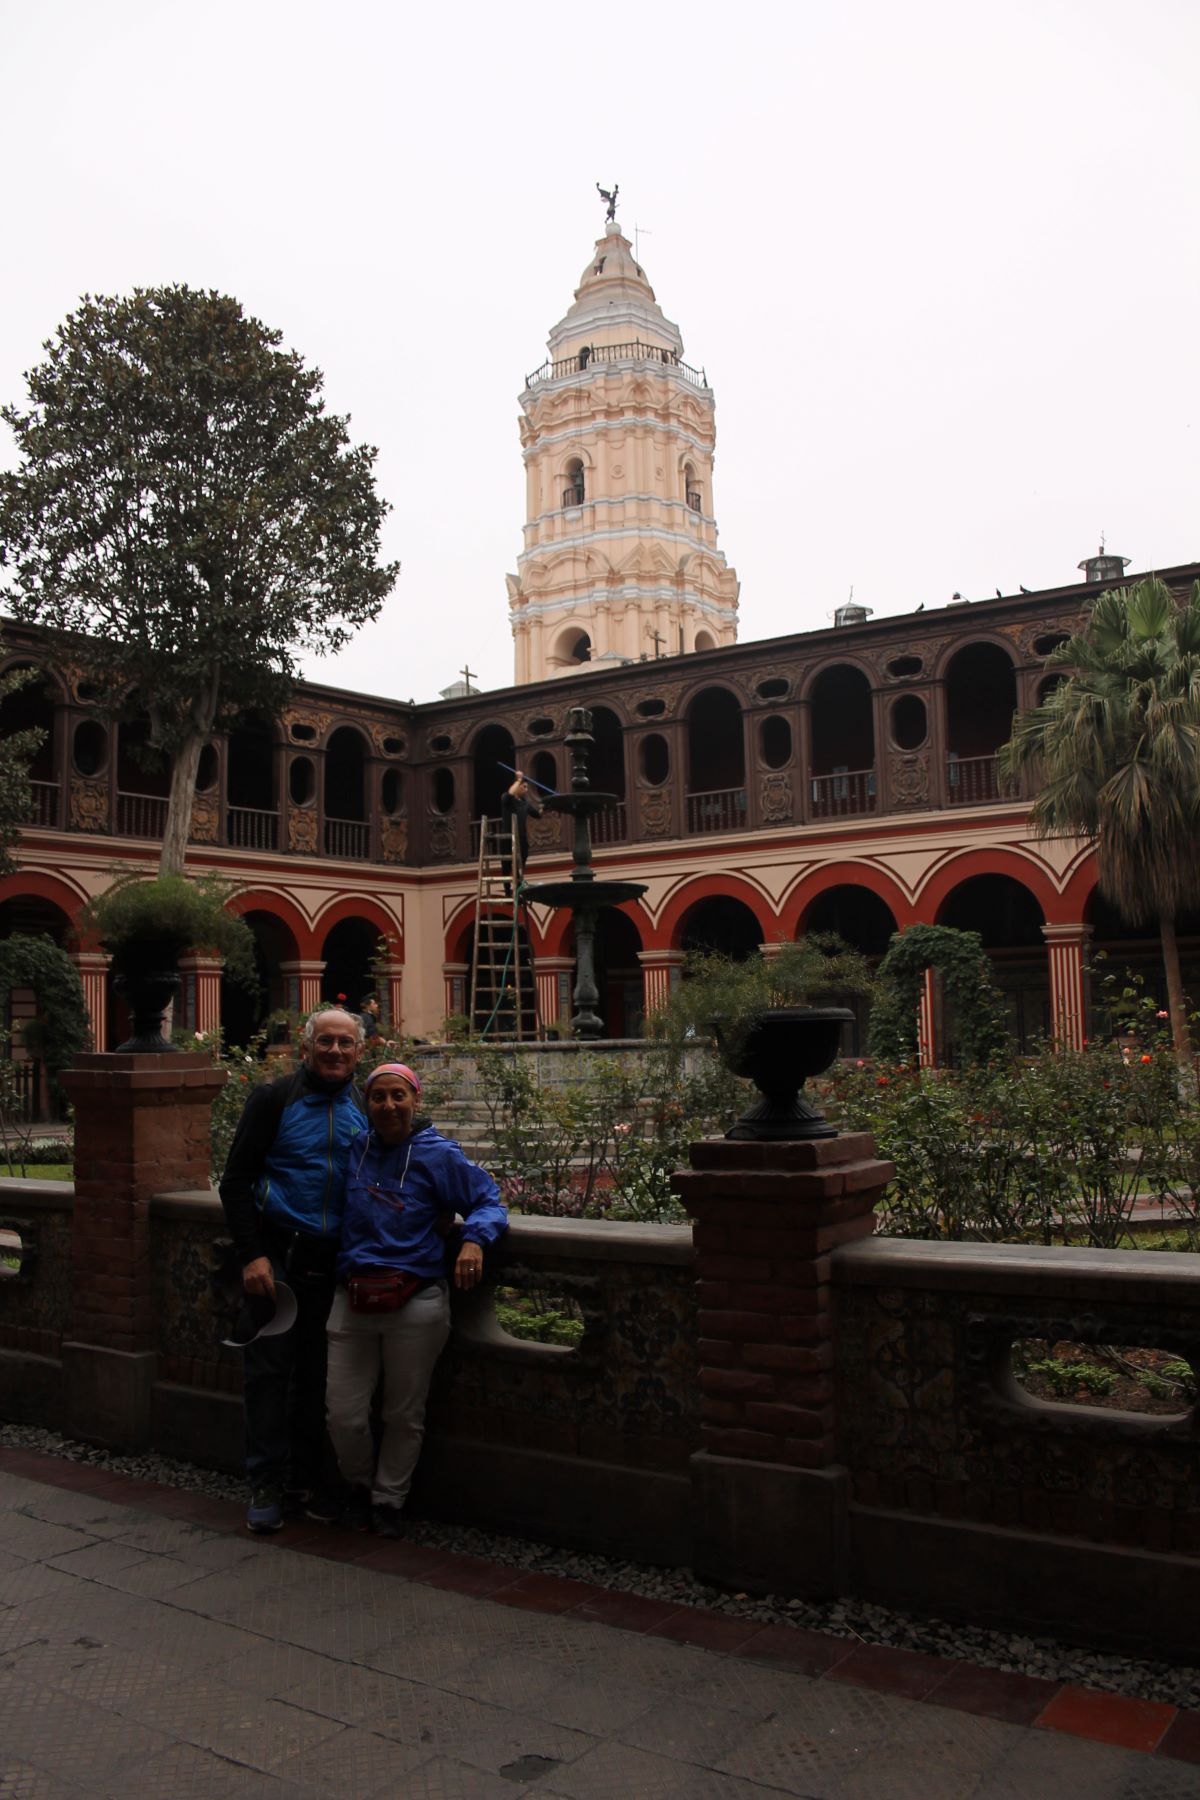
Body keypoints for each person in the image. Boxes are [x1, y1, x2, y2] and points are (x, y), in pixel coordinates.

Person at [326, 1061, 507, 1537]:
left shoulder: (438, 1155)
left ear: (415, 1100)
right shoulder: (356, 1150)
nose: (388, 1106)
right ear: (366, 1104)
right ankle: (358, 1486)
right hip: (354, 1296)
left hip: (414, 1300)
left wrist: (474, 1240)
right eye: (379, 1097)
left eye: (398, 1096)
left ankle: (388, 1500)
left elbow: (489, 1199)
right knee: (343, 1413)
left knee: (404, 1411)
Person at [218, 1005, 366, 1534]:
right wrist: (252, 1254)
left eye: (344, 1044)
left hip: (334, 1261)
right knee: (268, 1372)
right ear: (306, 1048)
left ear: (359, 1053)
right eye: (324, 1041)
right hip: (278, 1255)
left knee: (318, 1377)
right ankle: (264, 1479)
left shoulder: (365, 1105)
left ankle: (305, 1477)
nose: (334, 1051)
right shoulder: (273, 1099)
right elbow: (235, 1182)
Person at [500, 771, 543, 892]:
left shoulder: (525, 803)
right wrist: (519, 779)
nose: (526, 789)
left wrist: (545, 807)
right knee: (506, 864)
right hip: (508, 836)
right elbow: (510, 794)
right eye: (524, 786)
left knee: (522, 860)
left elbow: (538, 815)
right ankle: (507, 888)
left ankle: (518, 885)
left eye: (527, 787)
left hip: (521, 838)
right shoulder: (506, 798)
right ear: (517, 786)